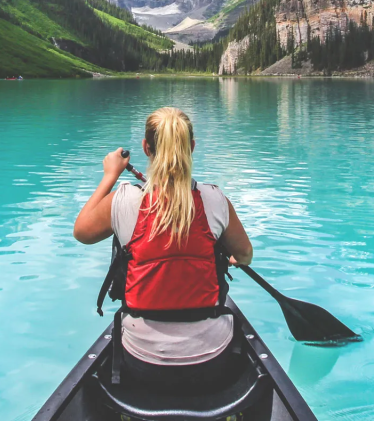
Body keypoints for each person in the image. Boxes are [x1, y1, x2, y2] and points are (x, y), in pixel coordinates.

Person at [73, 107, 254, 393]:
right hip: (211, 360)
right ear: (191, 148)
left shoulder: (124, 201)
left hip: (141, 361)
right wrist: (231, 258)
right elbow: (245, 255)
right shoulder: (215, 200)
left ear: (146, 148)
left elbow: (81, 232)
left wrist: (110, 175)